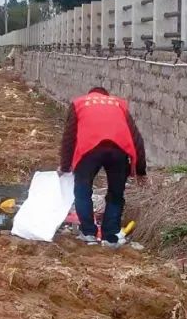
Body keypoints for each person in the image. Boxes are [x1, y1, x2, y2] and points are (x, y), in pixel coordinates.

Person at [58, 86, 147, 247]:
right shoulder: (119, 104)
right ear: (107, 96)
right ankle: (110, 236)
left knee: (83, 191)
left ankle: (88, 233)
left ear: (90, 93)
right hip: (118, 151)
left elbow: (69, 137)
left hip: (89, 150)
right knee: (116, 193)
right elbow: (136, 138)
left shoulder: (79, 103)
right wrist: (141, 170)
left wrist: (65, 166)